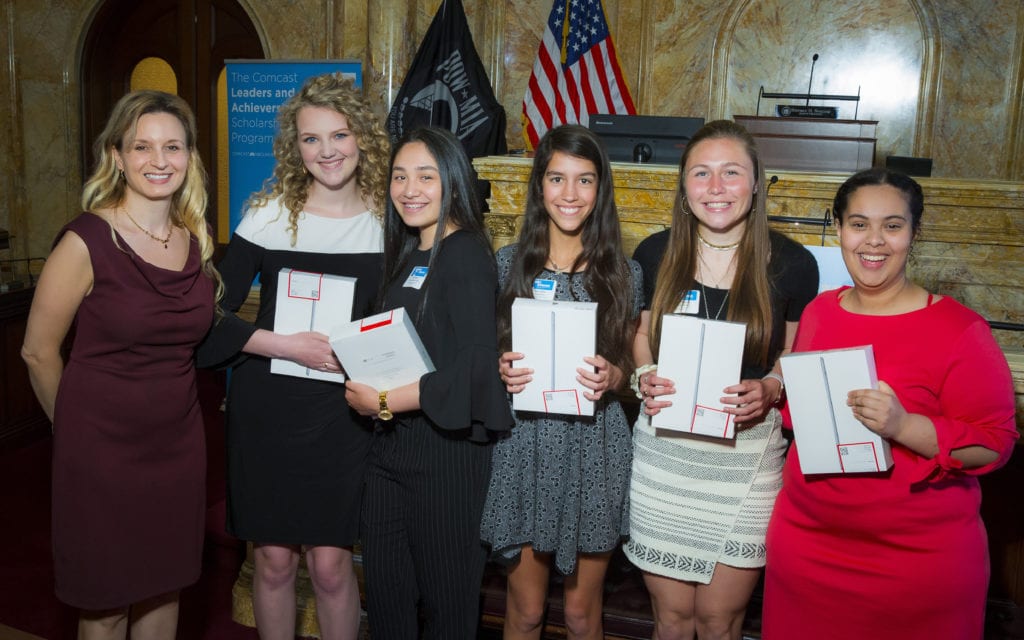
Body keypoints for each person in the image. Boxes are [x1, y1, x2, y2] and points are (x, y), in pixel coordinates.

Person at [762, 168, 1017, 639]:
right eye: (858, 224)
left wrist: (904, 426)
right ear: (838, 228)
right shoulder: (820, 311)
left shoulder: (960, 330)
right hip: (807, 545)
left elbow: (995, 446)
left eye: (892, 226)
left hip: (916, 564)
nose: (873, 241)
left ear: (914, 234)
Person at [196, 73, 389, 639]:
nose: (327, 151)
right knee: (274, 560)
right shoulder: (269, 216)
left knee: (331, 566)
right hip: (269, 408)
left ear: (363, 139)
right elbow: (208, 316)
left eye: (340, 135)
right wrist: (283, 344)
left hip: (344, 411)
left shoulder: (390, 220)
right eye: (311, 139)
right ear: (293, 147)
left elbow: (405, 323)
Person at [20, 90, 218, 639]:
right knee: (104, 605)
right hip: (99, 452)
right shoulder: (86, 241)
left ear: (190, 157)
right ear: (117, 156)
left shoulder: (194, 241)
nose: (159, 160)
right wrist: (78, 434)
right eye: (143, 147)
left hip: (178, 447)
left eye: (173, 146)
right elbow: (37, 350)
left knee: (163, 589)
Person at [625, 119, 819, 640]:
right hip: (665, 458)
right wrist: (645, 373)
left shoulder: (793, 263)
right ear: (683, 187)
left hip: (746, 461)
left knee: (719, 622)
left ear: (756, 182)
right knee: (671, 620)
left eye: (731, 173)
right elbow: (639, 334)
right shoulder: (653, 253)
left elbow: (792, 352)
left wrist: (774, 386)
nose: (715, 188)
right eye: (701, 173)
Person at [343, 126, 514, 639]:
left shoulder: (463, 252)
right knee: (389, 601)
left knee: (447, 608)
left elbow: (475, 367)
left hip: (447, 456)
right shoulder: (408, 253)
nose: (409, 189)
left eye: (425, 176)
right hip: (390, 451)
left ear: (454, 182)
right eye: (399, 176)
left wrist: (383, 399)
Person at [479, 124, 642, 639]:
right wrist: (500, 369)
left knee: (579, 614)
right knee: (525, 612)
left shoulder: (625, 272)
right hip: (524, 445)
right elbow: (482, 356)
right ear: (539, 187)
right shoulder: (507, 265)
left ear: (601, 189)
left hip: (594, 448)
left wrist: (617, 374)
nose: (570, 195)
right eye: (556, 179)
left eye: (585, 180)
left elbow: (635, 367)